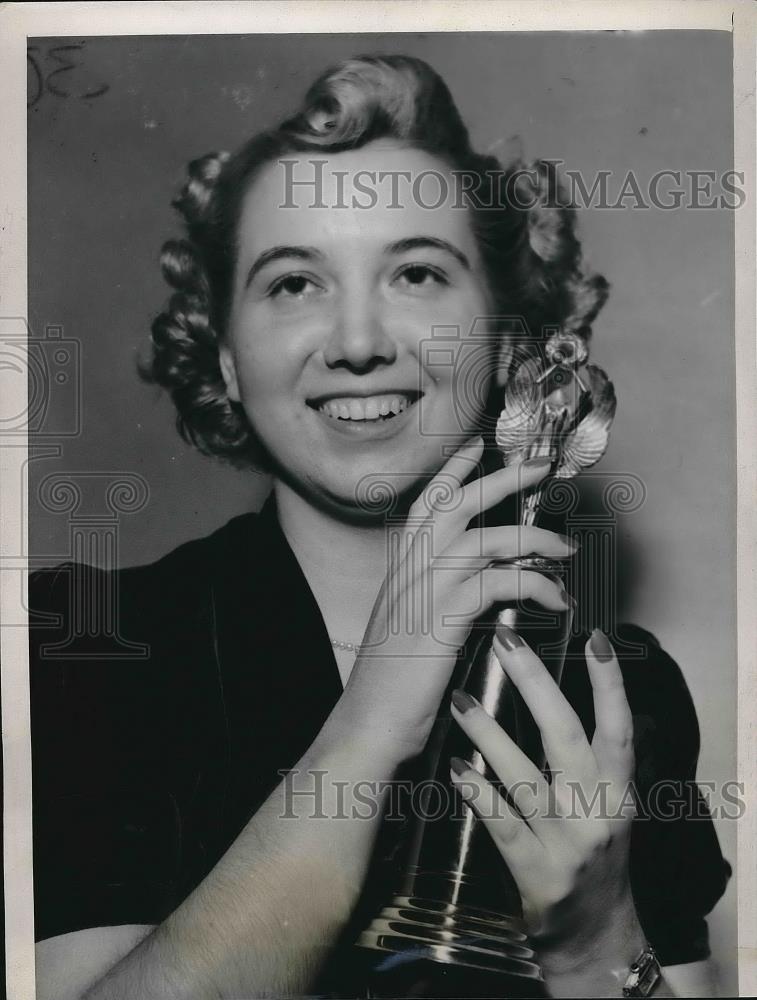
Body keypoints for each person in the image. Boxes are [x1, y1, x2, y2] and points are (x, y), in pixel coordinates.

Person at [29, 55, 730, 999]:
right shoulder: (87, 644)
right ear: (226, 356)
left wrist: (594, 938)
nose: (359, 343)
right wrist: (366, 730)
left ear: (509, 335)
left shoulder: (619, 687)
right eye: (292, 284)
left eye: (415, 271)